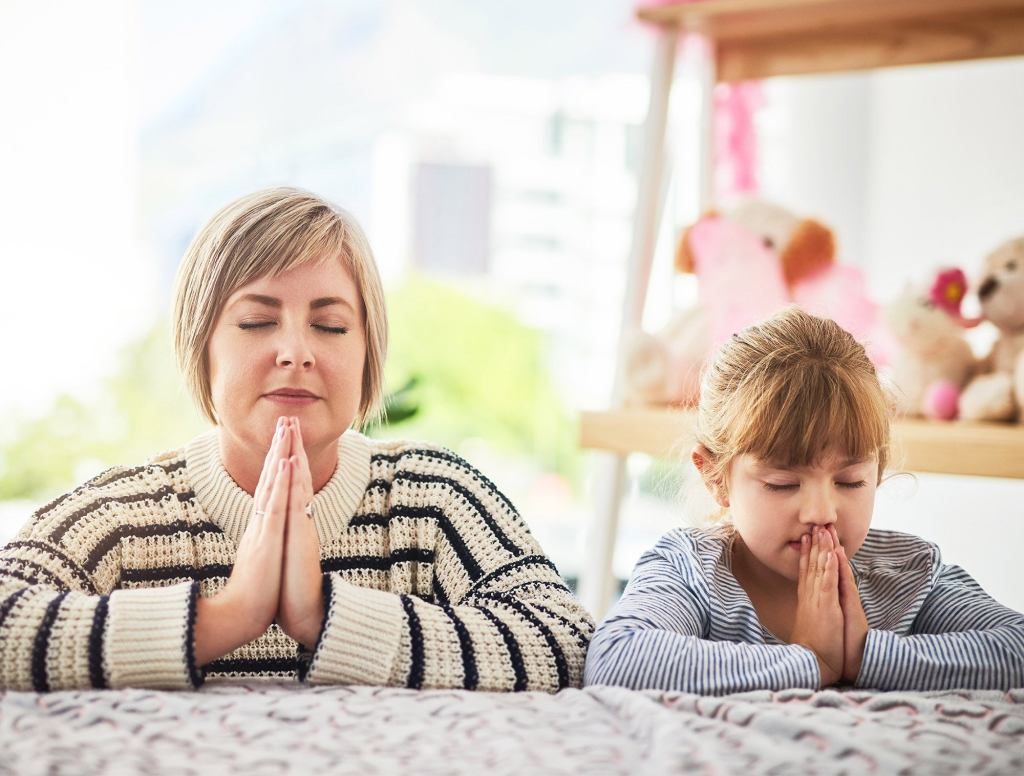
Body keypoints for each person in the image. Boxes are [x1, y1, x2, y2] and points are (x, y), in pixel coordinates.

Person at [0, 187, 593, 692]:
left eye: (330, 325)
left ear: (368, 355)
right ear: (201, 347)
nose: (296, 352)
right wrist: (226, 618)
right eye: (257, 321)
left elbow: (567, 642)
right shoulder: (126, 516)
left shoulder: (434, 499)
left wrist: (324, 615)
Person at [584, 307, 1024, 695]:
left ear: (879, 469)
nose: (821, 513)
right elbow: (617, 658)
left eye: (850, 481)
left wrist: (867, 657)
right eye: (782, 483)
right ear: (715, 476)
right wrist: (809, 661)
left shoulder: (906, 575)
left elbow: (1015, 646)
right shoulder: (691, 571)